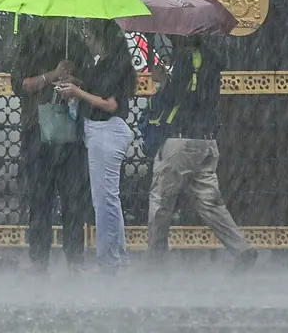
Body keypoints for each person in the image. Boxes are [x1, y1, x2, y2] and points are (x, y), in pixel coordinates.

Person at [146, 35, 256, 270]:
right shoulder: (213, 59)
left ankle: (155, 261)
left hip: (180, 140)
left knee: (161, 202)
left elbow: (177, 98)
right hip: (206, 141)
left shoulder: (187, 58)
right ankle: (241, 249)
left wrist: (163, 81)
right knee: (210, 203)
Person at [56, 19, 136, 271]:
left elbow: (110, 103)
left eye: (90, 37)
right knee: (108, 199)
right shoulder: (105, 63)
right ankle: (116, 255)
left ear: (103, 39)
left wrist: (77, 93)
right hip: (101, 131)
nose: (88, 43)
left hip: (106, 130)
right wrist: (77, 83)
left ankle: (109, 259)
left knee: (104, 200)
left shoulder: (114, 64)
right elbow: (97, 90)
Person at [12, 17, 90, 271]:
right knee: (40, 198)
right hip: (37, 130)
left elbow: (90, 82)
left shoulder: (75, 43)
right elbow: (20, 84)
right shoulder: (30, 43)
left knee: (73, 200)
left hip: (70, 132)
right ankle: (39, 256)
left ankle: (75, 257)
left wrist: (73, 82)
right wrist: (51, 76)